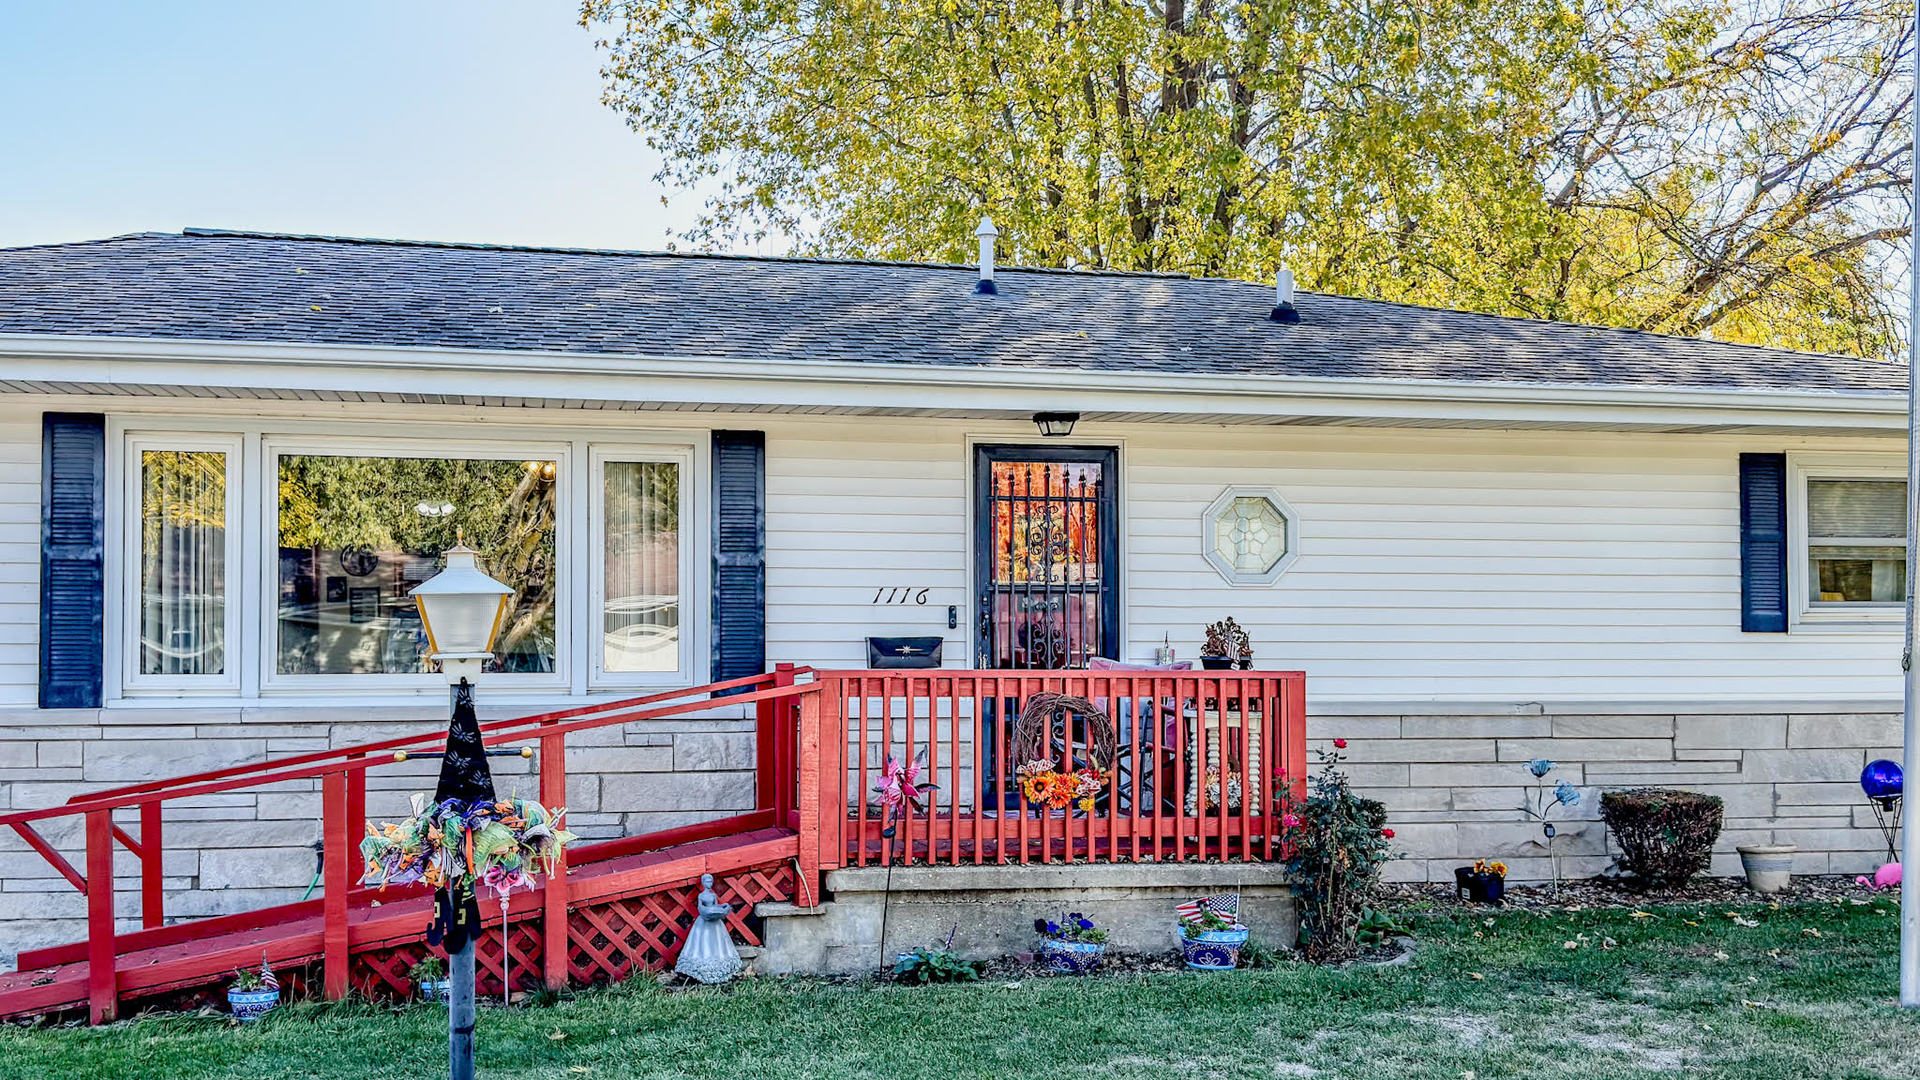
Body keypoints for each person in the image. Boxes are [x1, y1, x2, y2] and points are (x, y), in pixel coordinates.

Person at [673, 874, 742, 984]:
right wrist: (706, 911)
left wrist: (723, 906)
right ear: (703, 882)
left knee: (718, 942)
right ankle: (700, 971)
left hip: (715, 921)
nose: (709, 884)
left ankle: (719, 971)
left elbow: (715, 906)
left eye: (710, 882)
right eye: (707, 882)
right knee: (702, 941)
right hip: (704, 920)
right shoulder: (701, 895)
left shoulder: (713, 895)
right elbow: (700, 907)